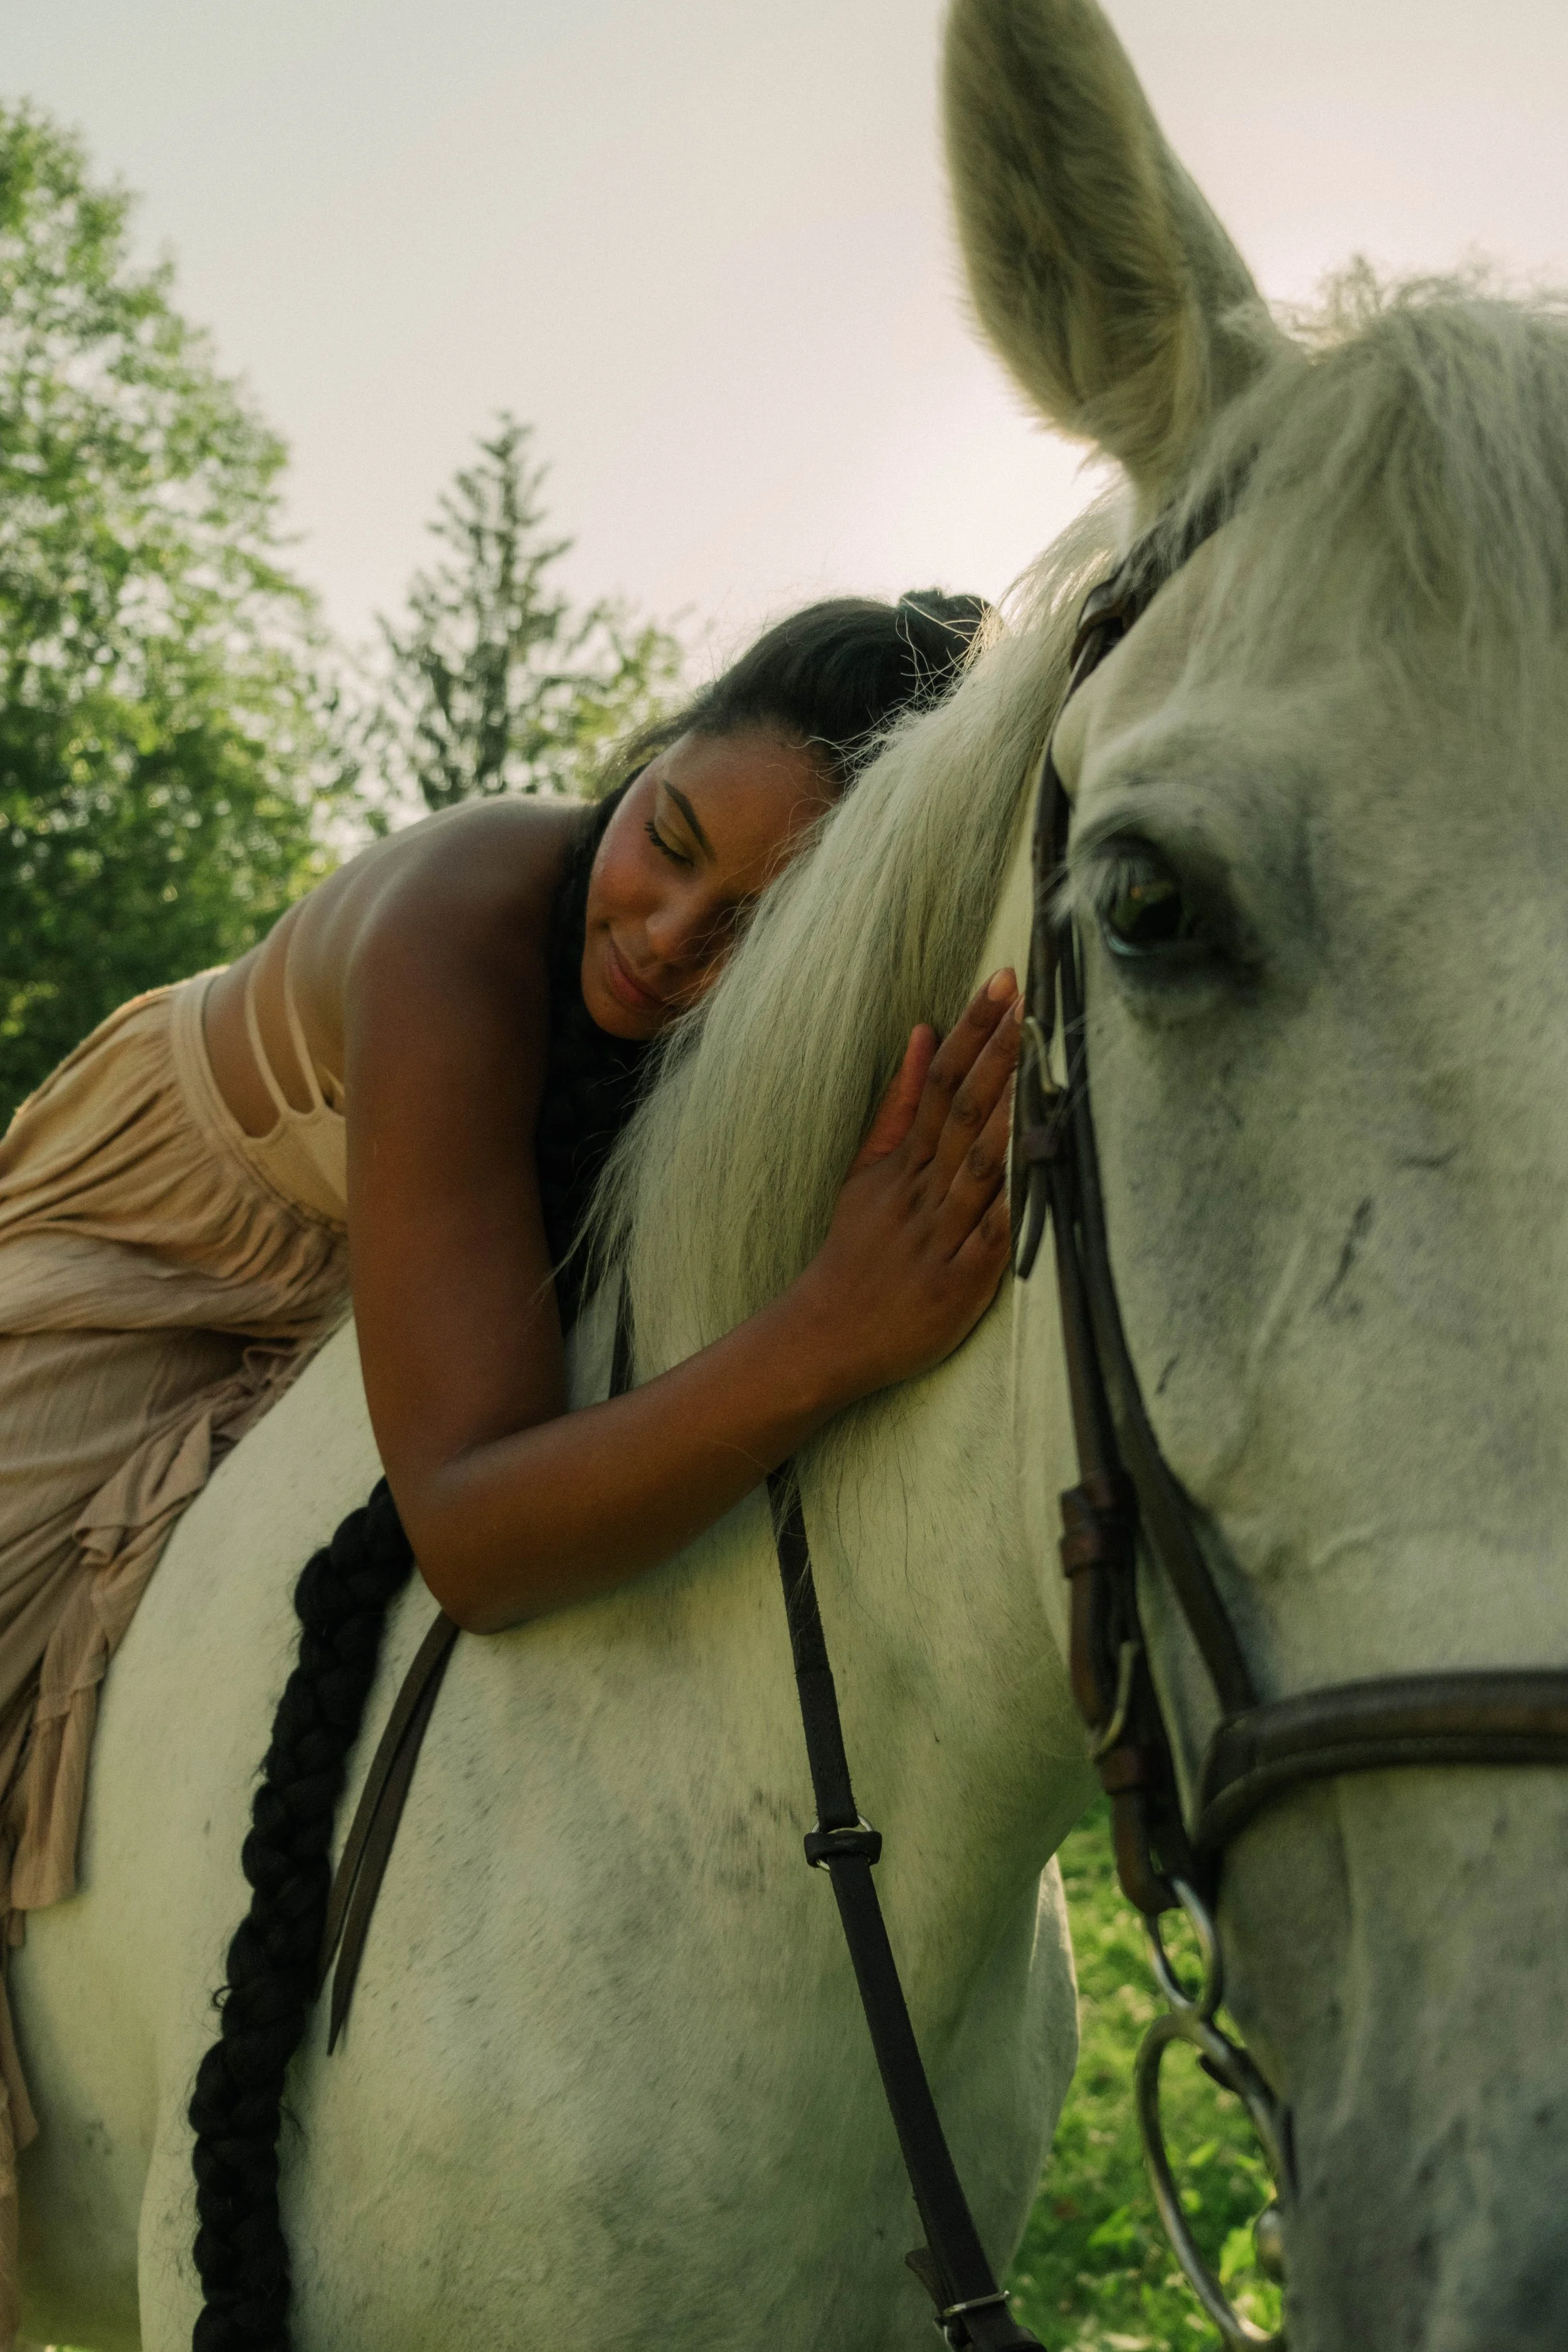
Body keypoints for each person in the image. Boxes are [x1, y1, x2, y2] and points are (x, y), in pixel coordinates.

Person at [0, 591, 1018, 2265]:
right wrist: (832, 1329)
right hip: (163, 1242)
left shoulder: (768, 1036)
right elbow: (472, 1530)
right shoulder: (473, 916)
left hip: (376, 1273)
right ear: (647, 757)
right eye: (667, 836)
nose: (669, 930)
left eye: (756, 926)